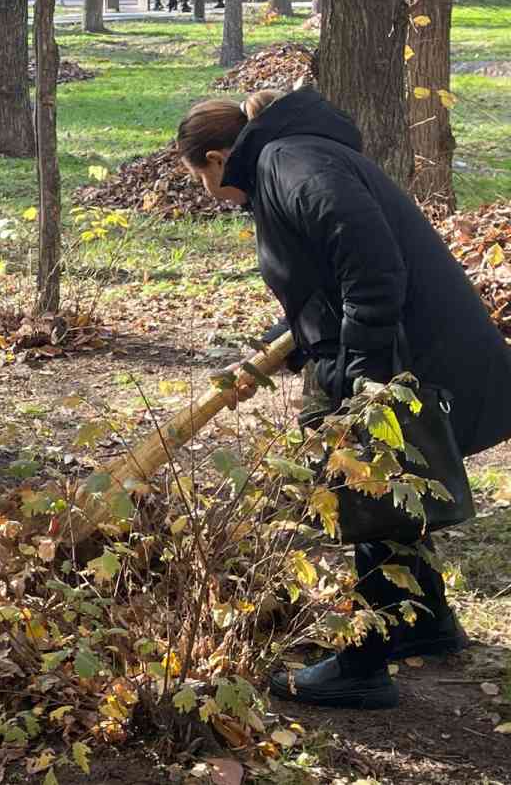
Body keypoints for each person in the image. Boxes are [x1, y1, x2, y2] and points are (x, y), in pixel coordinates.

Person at [176, 87, 511, 709]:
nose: (208, 195)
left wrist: (363, 377)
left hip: (405, 354)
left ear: (219, 159)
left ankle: (362, 665)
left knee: (367, 497)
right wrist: (275, 350)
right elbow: (325, 289)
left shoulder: (288, 162)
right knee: (385, 495)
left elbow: (372, 265)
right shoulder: (295, 156)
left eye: (201, 179)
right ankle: (426, 621)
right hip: (399, 348)